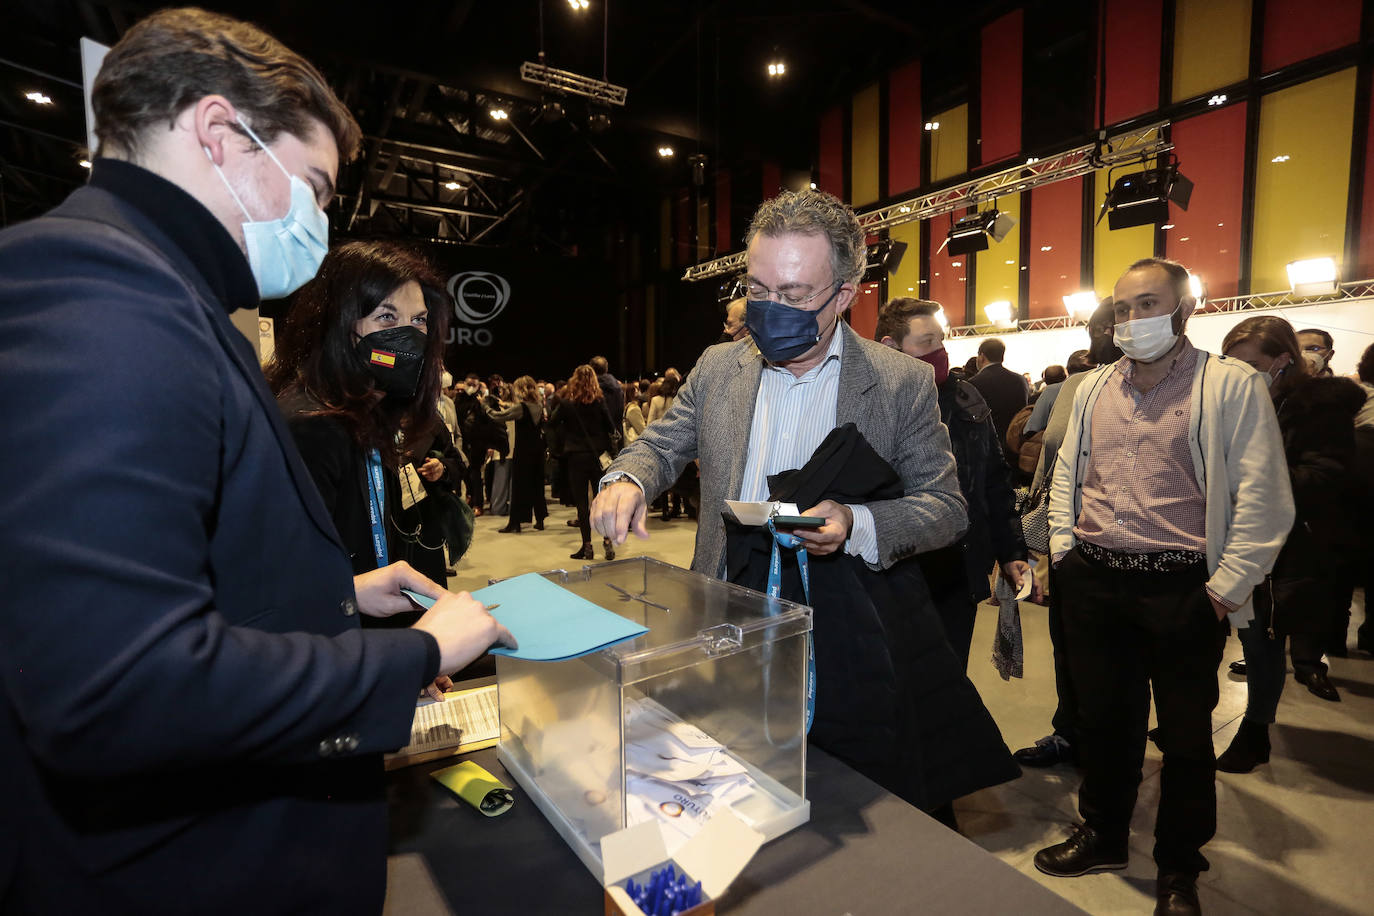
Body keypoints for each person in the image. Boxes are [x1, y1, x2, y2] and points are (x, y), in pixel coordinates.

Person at [0, 9, 515, 912]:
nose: (317, 217)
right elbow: (123, 690)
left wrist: (339, 597)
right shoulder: (107, 304)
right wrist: (416, 656)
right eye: (312, 185)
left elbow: (155, 573)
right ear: (217, 131)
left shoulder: (161, 294)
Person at [590, 188, 1017, 827]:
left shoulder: (898, 381)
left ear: (844, 294)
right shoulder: (719, 367)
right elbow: (662, 442)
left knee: (851, 801)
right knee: (734, 781)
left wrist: (858, 522)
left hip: (847, 619)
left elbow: (946, 506)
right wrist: (628, 477)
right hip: (730, 612)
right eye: (757, 289)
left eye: (793, 296)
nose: (768, 309)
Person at [1036, 258, 1293, 916]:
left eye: (1147, 305)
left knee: (1184, 735)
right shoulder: (1092, 386)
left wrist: (1227, 584)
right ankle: (1105, 832)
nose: (1131, 320)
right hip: (1094, 581)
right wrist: (1065, 548)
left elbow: (1265, 497)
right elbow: (1067, 473)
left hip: (1182, 588)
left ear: (1183, 312)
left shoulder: (1230, 386)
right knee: (1106, 722)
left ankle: (1179, 862)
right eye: (1121, 308)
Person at [267, 240, 465, 598]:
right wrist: (349, 593)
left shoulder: (373, 419)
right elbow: (278, 578)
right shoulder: (310, 426)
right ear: (339, 322)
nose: (407, 336)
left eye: (418, 320)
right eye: (387, 317)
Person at [1215, 317, 1363, 758]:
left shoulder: (1320, 407)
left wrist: (1251, 476)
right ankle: (1186, 722)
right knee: (1211, 634)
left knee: (1263, 640)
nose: (1239, 373)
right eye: (1230, 363)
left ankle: (1256, 730)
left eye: (1250, 364)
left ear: (1282, 360)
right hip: (1226, 533)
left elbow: (1326, 476)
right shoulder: (1233, 400)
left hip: (1286, 543)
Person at [876, 297, 1032, 670]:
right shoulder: (871, 402)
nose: (940, 352)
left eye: (941, 340)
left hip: (958, 565)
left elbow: (994, 479)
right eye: (927, 342)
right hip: (894, 569)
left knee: (948, 678)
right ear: (890, 347)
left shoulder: (967, 398)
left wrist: (1012, 552)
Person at [1014, 300, 1120, 769]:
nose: (1111, 333)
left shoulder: (1202, 388)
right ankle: (1070, 732)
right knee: (1072, 648)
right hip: (1074, 543)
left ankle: (1110, 750)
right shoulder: (1076, 386)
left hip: (1153, 554)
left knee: (1126, 666)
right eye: (1104, 325)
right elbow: (1050, 460)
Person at [550, 364, 618, 560]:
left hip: (576, 456)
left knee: (581, 503)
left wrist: (558, 447)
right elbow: (611, 428)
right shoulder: (600, 402)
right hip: (598, 457)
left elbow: (551, 425)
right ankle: (607, 540)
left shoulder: (566, 404)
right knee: (601, 501)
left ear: (575, 381)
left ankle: (587, 546)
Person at [487, 375, 549, 533]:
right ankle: (540, 520)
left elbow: (498, 417)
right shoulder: (539, 405)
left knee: (519, 486)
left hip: (524, 450)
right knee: (537, 485)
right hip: (538, 450)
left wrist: (485, 407)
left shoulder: (522, 407)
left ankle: (515, 522)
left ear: (521, 389)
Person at [968, 337, 1030, 464]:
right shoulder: (1020, 380)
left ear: (981, 356)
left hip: (987, 446)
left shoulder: (974, 383)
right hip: (1015, 443)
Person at [591, 355, 625, 431]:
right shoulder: (618, 387)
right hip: (616, 432)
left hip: (598, 435)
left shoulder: (592, 389)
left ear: (592, 370)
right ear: (606, 369)